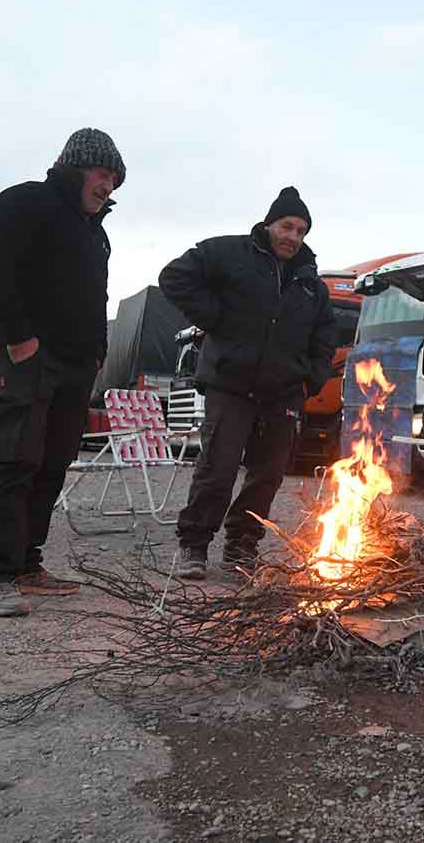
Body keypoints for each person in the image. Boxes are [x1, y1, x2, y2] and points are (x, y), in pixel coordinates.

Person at [0, 128, 126, 617]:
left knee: (52, 463)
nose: (109, 187)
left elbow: (95, 298)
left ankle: (26, 564)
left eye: (115, 181)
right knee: (16, 458)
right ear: (78, 166)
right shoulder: (25, 202)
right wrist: (18, 337)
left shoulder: (95, 231)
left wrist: (98, 351)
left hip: (78, 363)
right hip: (30, 355)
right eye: (103, 175)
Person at [159, 187, 336, 578]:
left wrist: (311, 381)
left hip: (283, 393)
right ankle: (194, 546)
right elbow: (174, 277)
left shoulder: (312, 286)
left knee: (267, 477)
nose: (293, 236)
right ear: (270, 224)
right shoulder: (229, 254)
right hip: (231, 385)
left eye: (302, 231)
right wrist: (213, 318)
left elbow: (325, 339)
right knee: (217, 468)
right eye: (287, 226)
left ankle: (242, 547)